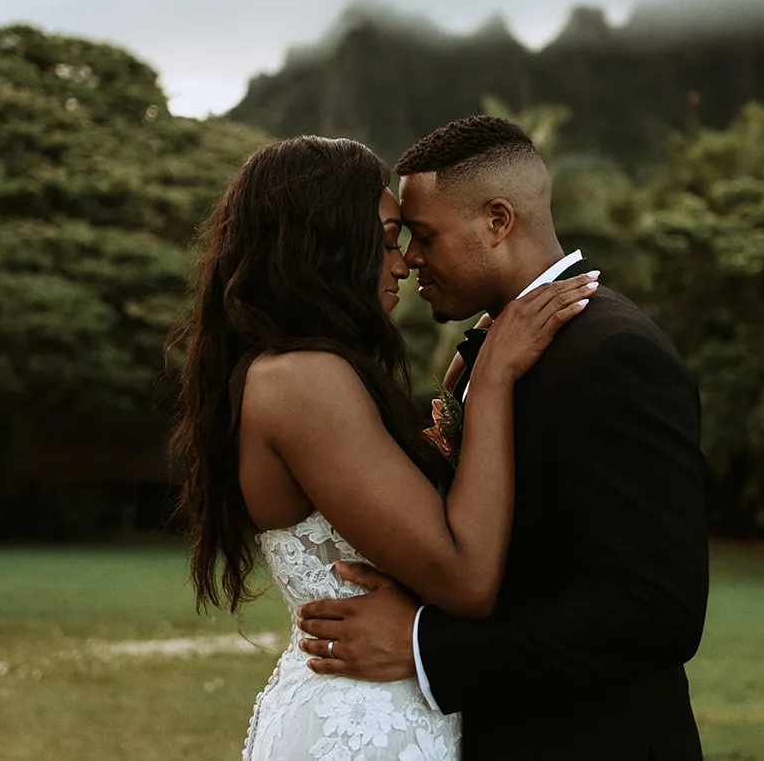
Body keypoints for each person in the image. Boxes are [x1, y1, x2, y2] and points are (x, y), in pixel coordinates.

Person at [168, 135, 596, 760]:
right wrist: (496, 378)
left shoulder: (299, 372)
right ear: (328, 240)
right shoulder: (303, 380)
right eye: (390, 236)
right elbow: (466, 577)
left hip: (369, 708)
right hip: (363, 726)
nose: (403, 262)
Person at [294, 116, 709, 760]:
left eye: (424, 236)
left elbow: (657, 610)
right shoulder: (497, 349)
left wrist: (424, 645)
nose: (410, 260)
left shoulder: (612, 352)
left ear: (497, 220)